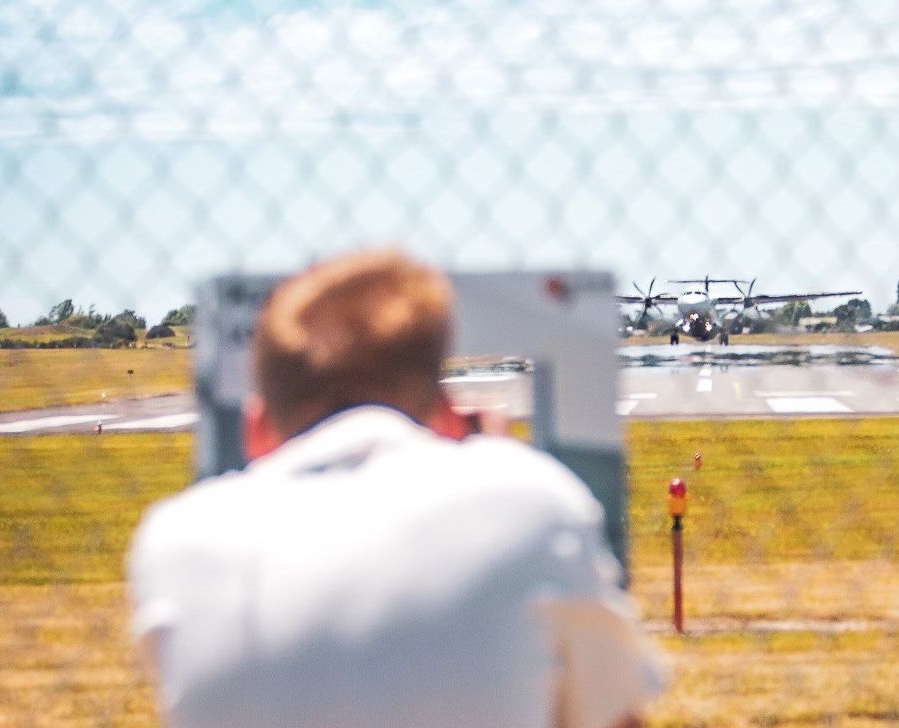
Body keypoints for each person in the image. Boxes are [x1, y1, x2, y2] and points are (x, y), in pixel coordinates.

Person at [127, 250, 664, 728]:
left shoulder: (175, 540)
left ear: (256, 428)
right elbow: (616, 716)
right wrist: (498, 461)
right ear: (450, 415)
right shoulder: (531, 500)